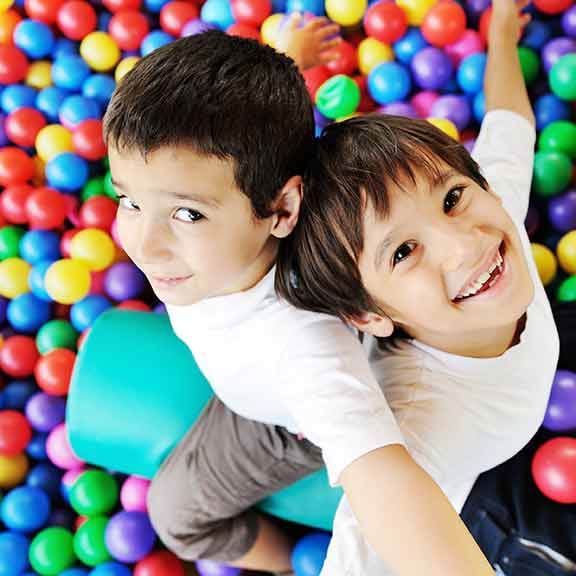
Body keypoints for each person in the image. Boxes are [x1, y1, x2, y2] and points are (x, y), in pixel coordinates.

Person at [103, 21, 495, 576]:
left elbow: (380, 468)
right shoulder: (237, 205)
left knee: (176, 515)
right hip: (244, 365)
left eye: (187, 214)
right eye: (128, 200)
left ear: (283, 210)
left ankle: (289, 563)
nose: (143, 244)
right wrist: (289, 59)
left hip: (283, 427)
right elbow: (250, 126)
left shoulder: (301, 344)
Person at [276, 0, 571, 573]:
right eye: (404, 252)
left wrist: (502, 30)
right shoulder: (416, 435)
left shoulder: (491, 211)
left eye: (453, 197)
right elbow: (364, 546)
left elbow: (511, 121)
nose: (465, 244)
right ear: (367, 315)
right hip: (290, 416)